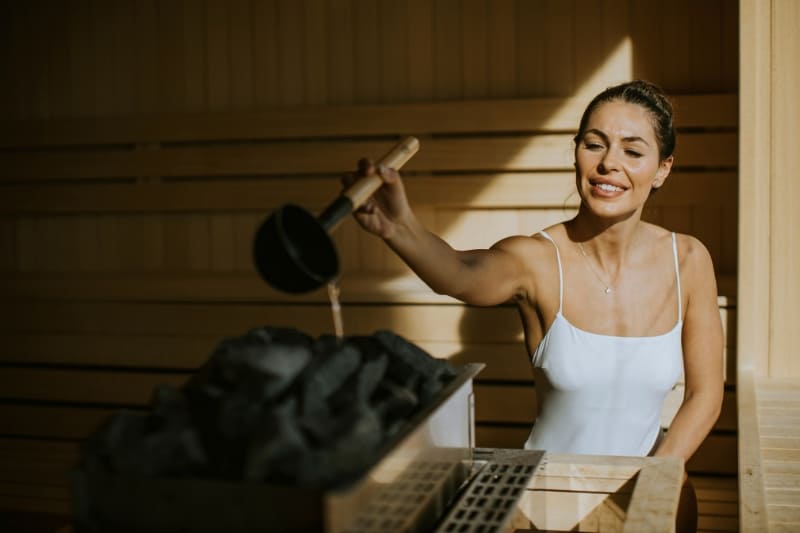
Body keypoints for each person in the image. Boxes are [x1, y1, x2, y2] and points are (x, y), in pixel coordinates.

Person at [346, 80, 723, 532]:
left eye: (632, 151)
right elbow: (461, 273)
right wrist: (399, 227)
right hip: (549, 502)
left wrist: (653, 483)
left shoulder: (688, 260)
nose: (608, 164)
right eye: (594, 144)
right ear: (577, 152)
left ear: (662, 169)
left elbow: (705, 394)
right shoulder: (538, 260)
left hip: (650, 486)